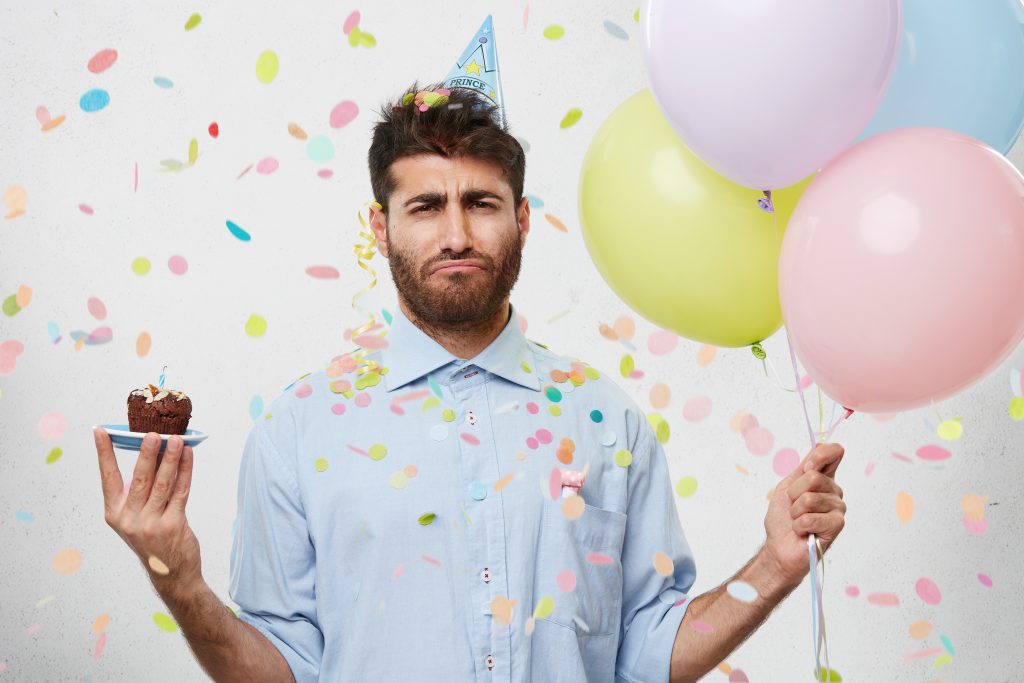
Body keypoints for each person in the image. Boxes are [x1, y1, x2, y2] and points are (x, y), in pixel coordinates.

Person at [92, 83, 847, 683]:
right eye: (425, 206)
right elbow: (284, 672)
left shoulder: (604, 420)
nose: (456, 234)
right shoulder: (299, 429)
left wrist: (776, 562)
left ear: (521, 219)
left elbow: (650, 655)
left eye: (481, 204)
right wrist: (180, 578)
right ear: (380, 228)